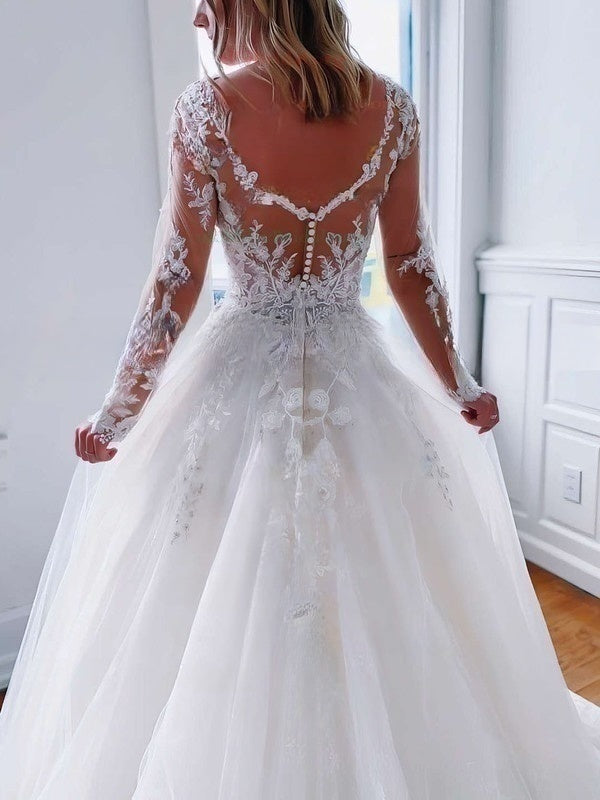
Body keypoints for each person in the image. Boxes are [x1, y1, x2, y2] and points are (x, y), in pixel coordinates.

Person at [1, 0, 599, 797]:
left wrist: (120, 410)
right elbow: (409, 262)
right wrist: (458, 382)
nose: (198, 15)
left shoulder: (207, 110)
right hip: (359, 376)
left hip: (240, 370)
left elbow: (177, 277)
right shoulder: (391, 109)